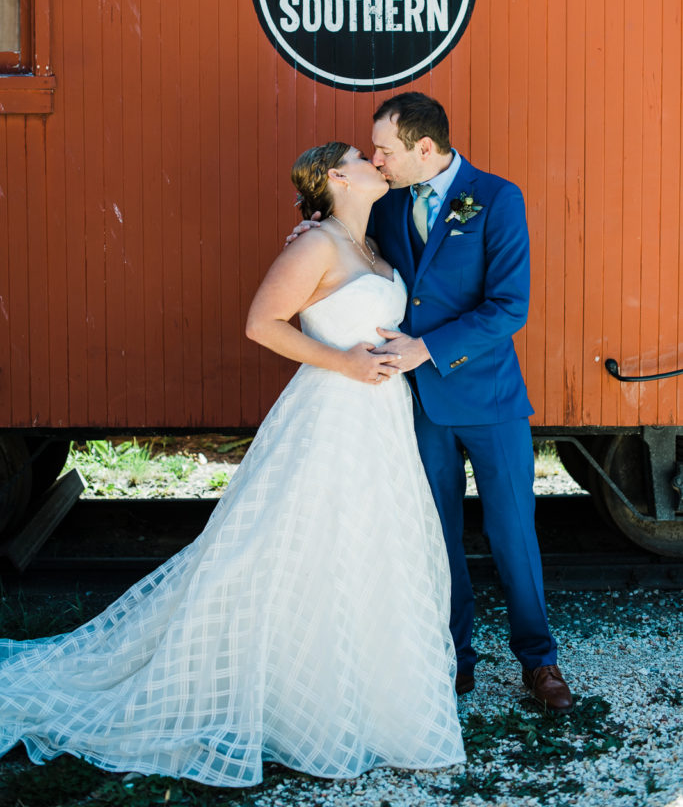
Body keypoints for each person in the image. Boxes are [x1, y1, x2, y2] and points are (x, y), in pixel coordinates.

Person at [0, 141, 465, 788]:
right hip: (329, 413)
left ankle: (361, 702)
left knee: (364, 552)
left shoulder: (369, 245)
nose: (373, 162)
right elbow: (262, 324)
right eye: (362, 157)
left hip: (377, 421)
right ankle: (297, 707)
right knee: (290, 548)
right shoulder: (316, 245)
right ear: (336, 177)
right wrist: (350, 364)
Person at [289, 93, 573, 714]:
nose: (379, 161)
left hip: (489, 398)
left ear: (424, 148)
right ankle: (454, 657)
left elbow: (509, 307)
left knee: (512, 534)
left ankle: (539, 660)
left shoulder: (498, 198)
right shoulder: (385, 204)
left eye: (386, 149)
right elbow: (353, 251)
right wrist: (314, 230)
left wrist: (428, 350)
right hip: (414, 405)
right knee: (434, 534)